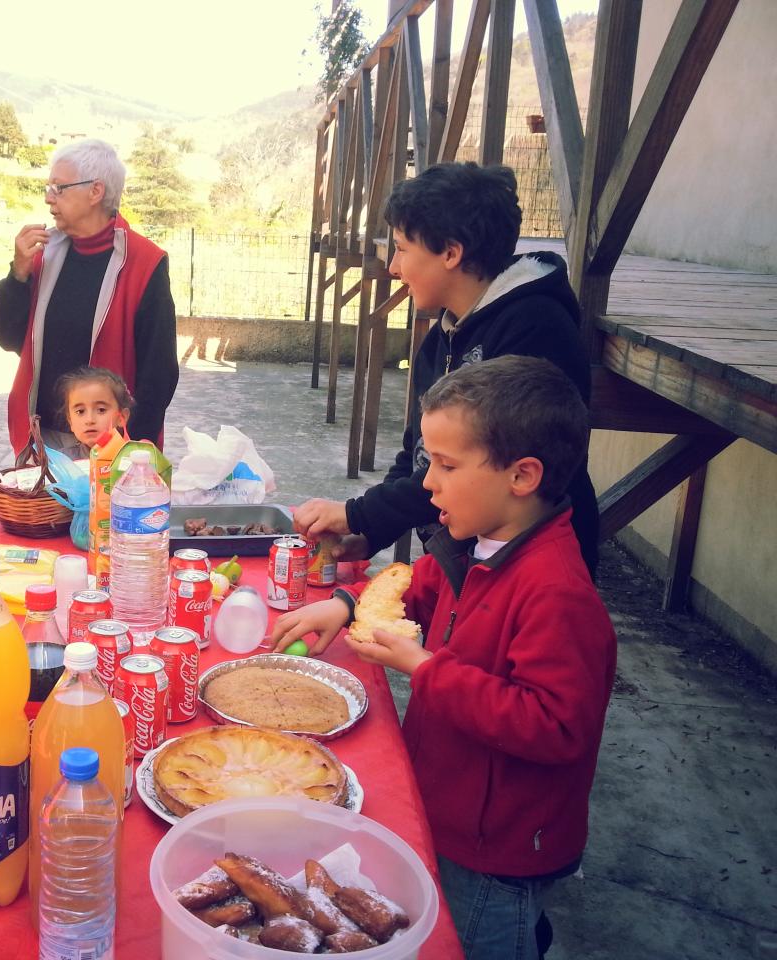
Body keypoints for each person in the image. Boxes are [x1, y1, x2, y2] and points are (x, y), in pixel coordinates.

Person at [271, 356, 616, 959]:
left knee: (476, 939)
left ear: (522, 476)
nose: (427, 483)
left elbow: (556, 726)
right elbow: (422, 583)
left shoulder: (556, 592)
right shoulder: (480, 540)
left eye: (447, 466)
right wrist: (348, 604)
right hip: (449, 807)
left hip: (497, 849)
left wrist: (427, 670)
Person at [294, 162, 600, 575]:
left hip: (523, 569)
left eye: (402, 248)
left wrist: (357, 512)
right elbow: (419, 454)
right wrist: (370, 532)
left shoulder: (534, 328)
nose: (393, 267)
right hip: (459, 564)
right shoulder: (441, 337)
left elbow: (482, 468)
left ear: (451, 253)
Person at [0, 138, 178, 455]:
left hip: (110, 444)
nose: (49, 199)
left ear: (96, 191)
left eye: (59, 188)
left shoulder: (145, 262)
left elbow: (158, 374)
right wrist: (18, 273)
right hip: (42, 437)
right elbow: (8, 338)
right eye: (48, 188)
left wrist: (130, 449)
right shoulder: (43, 253)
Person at [54, 365, 134, 460]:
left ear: (122, 417)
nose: (89, 420)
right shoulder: (62, 461)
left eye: (101, 410)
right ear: (70, 421)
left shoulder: (133, 461)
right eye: (80, 411)